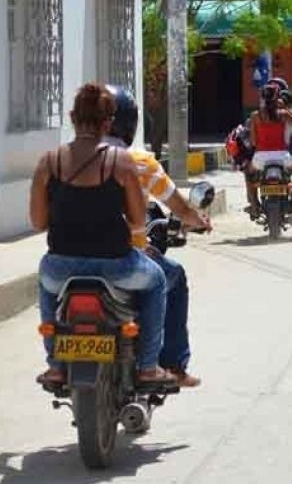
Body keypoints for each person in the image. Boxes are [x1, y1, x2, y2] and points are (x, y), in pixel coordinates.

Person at [31, 84, 174, 386]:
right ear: (108, 122)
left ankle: (56, 365)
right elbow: (137, 219)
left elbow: (38, 221)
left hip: (62, 267)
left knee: (45, 282)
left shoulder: (49, 161)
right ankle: (148, 366)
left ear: (72, 117)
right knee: (158, 280)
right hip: (117, 266)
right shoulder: (121, 162)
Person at [102, 85, 210, 387]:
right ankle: (168, 364)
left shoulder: (68, 159)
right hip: (124, 258)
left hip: (71, 257)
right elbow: (180, 207)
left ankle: (57, 364)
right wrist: (197, 220)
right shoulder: (139, 163)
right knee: (170, 277)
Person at [247, 82, 292, 216]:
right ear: (277, 98)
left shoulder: (255, 116)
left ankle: (253, 204)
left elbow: (253, 141)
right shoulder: (283, 114)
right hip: (282, 157)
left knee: (248, 171)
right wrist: (287, 110)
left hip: (261, 158)